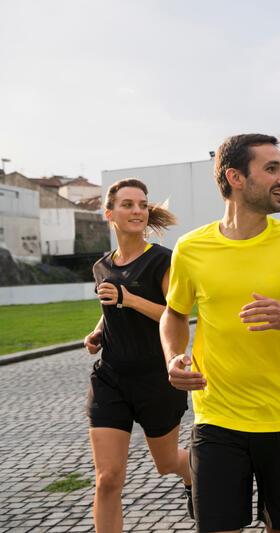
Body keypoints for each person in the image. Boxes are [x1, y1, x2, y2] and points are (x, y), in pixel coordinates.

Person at [160, 133, 280, 533]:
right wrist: (173, 357)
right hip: (216, 419)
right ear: (235, 177)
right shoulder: (190, 248)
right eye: (272, 169)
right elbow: (174, 315)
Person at [83, 178, 191, 533]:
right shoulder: (102, 266)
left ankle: (192, 474)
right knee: (108, 478)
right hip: (110, 378)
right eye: (128, 204)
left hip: (156, 380)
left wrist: (128, 298)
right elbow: (109, 306)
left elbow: (176, 316)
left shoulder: (163, 261)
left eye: (143, 205)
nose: (138, 211)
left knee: (166, 463)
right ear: (109, 213)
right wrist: (99, 331)